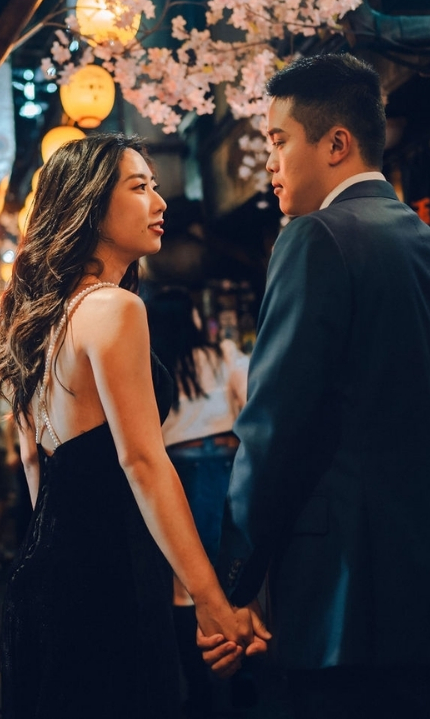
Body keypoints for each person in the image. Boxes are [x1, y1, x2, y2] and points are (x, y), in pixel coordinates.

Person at [201, 54, 430, 719]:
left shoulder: (314, 238)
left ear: (337, 144)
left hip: (342, 607)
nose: (272, 163)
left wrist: (235, 583)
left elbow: (273, 428)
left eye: (280, 140)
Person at [0, 134, 268, 719]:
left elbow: (37, 464)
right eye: (140, 187)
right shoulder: (113, 309)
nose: (159, 202)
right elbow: (142, 462)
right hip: (105, 578)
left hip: (45, 573)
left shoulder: (34, 319)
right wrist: (211, 602)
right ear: (89, 203)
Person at [146, 288, 249, 717]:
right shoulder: (219, 353)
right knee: (230, 576)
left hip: (176, 468)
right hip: (224, 462)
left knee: (185, 583)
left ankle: (199, 692)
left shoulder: (151, 366)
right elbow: (250, 394)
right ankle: (241, 681)